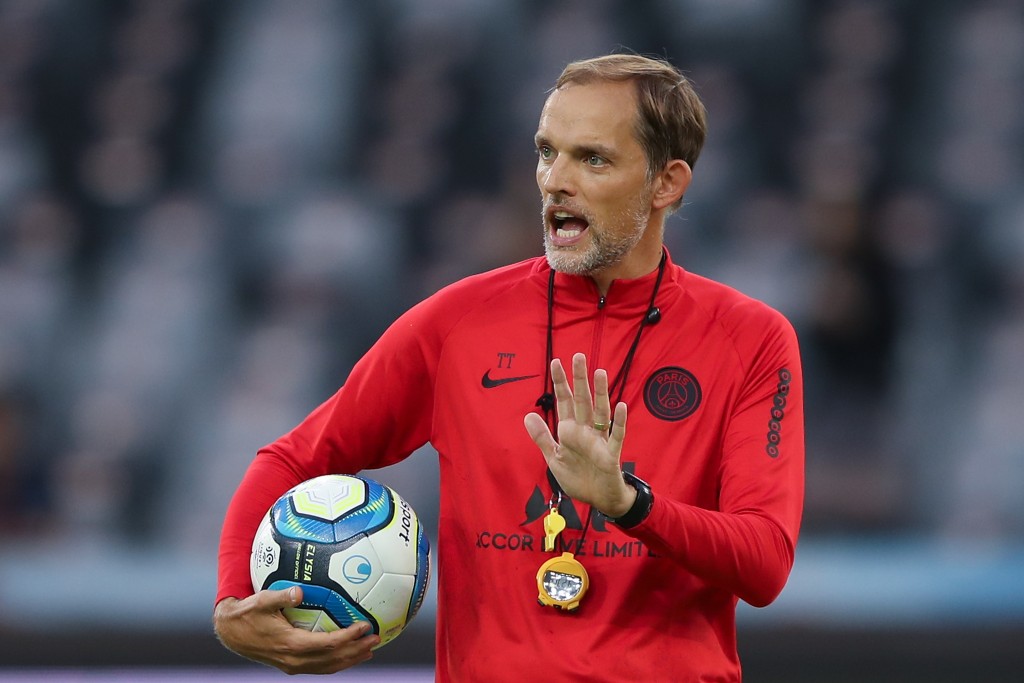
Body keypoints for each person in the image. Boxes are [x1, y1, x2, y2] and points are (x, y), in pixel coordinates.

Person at [214, 53, 804, 682]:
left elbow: (764, 563)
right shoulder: (457, 323)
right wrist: (231, 603)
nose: (555, 180)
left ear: (668, 182)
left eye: (592, 158)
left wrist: (629, 503)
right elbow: (291, 459)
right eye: (547, 152)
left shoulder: (751, 339)